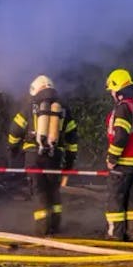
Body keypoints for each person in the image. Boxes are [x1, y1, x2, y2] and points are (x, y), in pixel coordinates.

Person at [6, 74, 78, 235]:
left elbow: (15, 130)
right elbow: (72, 138)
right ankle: (55, 227)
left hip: (34, 155)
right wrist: (69, 162)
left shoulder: (30, 106)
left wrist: (13, 149)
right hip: (55, 155)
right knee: (53, 190)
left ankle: (42, 229)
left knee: (39, 190)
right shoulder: (63, 108)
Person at [102, 67, 133, 241]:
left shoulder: (123, 108)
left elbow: (120, 136)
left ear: (118, 89)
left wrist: (112, 158)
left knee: (115, 201)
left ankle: (115, 236)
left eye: (112, 90)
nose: (111, 94)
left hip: (121, 163)